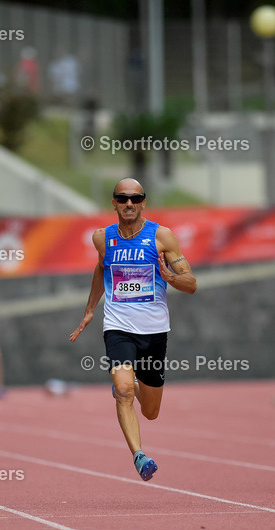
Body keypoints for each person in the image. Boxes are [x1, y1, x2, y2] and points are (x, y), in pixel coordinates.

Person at [70, 178, 198, 480]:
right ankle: (139, 456)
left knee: (151, 412)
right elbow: (101, 268)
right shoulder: (102, 238)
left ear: (143, 202)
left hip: (154, 331)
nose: (129, 204)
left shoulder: (162, 236)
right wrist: (90, 310)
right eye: (123, 198)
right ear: (114, 203)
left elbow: (192, 284)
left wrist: (170, 277)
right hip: (118, 327)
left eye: (136, 199)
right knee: (124, 391)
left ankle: (131, 385)